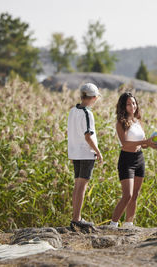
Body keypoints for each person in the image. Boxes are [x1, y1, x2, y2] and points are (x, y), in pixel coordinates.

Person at [109, 92, 157, 228]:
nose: (133, 106)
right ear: (123, 106)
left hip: (139, 158)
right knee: (127, 195)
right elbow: (125, 143)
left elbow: (141, 144)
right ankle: (113, 224)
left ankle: (128, 224)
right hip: (126, 160)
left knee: (135, 195)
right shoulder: (121, 123)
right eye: (129, 104)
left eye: (134, 103)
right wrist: (145, 141)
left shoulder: (138, 122)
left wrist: (149, 144)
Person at [68, 83, 103, 230]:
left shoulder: (72, 111)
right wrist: (98, 151)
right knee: (82, 186)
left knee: (77, 185)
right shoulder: (87, 113)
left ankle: (75, 217)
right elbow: (88, 136)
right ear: (93, 98)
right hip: (86, 153)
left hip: (75, 152)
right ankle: (77, 219)